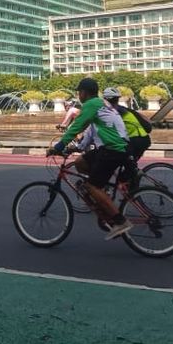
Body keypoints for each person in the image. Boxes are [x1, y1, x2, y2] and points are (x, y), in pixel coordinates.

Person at [50, 78, 133, 240]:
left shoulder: (91, 104)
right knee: (80, 162)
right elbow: (89, 133)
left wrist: (59, 147)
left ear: (84, 93)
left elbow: (78, 126)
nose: (78, 95)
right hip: (114, 147)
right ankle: (99, 191)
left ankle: (120, 221)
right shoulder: (99, 103)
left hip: (113, 149)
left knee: (92, 185)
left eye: (79, 92)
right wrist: (73, 148)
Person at [103, 87, 150, 189]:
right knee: (129, 165)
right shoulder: (125, 109)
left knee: (112, 161)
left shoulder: (112, 111)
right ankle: (132, 186)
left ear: (105, 99)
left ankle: (130, 183)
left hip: (134, 141)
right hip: (144, 139)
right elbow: (146, 120)